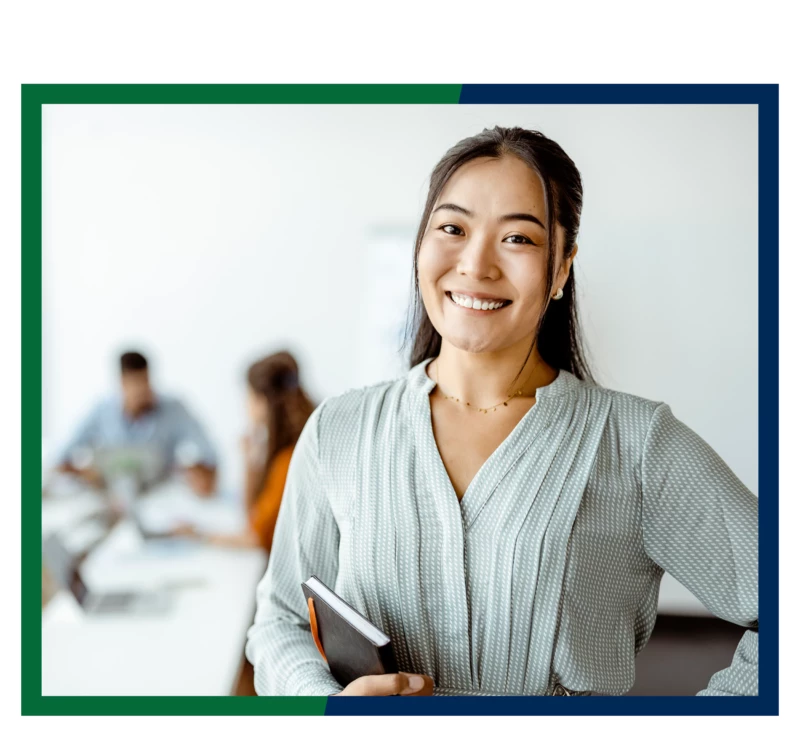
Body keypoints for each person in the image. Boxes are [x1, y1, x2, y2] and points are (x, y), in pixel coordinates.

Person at [245, 127, 758, 697]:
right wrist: (329, 706)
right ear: (420, 245)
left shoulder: (635, 444)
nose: (477, 263)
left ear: (561, 267)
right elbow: (282, 622)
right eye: (452, 228)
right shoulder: (339, 431)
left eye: (517, 238)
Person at [56, 351, 218, 496]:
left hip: (161, 495)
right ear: (122, 383)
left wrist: (196, 474)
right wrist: (85, 473)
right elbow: (59, 457)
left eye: (145, 381)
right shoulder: (100, 411)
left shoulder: (174, 409)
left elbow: (210, 456)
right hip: (110, 496)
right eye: (135, 384)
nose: (143, 391)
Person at [200, 351, 315, 552]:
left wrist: (201, 537)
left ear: (262, 401)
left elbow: (256, 535)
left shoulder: (289, 457)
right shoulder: (301, 441)